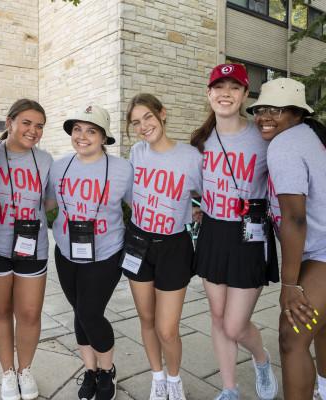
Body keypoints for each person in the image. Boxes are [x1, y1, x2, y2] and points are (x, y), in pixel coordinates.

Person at [191, 64, 279, 400]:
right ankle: (229, 388)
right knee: (217, 315)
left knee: (235, 324)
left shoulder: (263, 138)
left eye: (234, 87)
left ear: (244, 95)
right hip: (213, 232)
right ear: (209, 93)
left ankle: (261, 358)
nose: (225, 94)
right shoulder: (200, 141)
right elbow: (192, 185)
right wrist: (196, 207)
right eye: (219, 87)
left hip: (250, 234)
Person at [46, 105, 133, 400]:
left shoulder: (122, 169)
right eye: (77, 129)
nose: (82, 136)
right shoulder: (59, 166)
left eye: (91, 130)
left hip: (106, 253)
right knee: (79, 313)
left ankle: (107, 371)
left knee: (89, 312)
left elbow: (138, 208)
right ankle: (90, 369)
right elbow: (46, 204)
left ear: (104, 137)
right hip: (66, 253)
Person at [247, 77, 326, 400]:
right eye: (260, 108)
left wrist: (289, 285)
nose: (265, 116)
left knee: (291, 338)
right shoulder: (308, 135)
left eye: (275, 110)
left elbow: (294, 218)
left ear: (296, 113)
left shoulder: (284, 145)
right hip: (318, 249)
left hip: (320, 252)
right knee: (320, 328)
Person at [124, 93, 202, 400]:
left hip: (174, 246)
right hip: (139, 243)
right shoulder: (136, 153)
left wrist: (196, 210)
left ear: (162, 114)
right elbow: (130, 196)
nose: (143, 127)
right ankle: (157, 376)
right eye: (136, 122)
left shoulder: (191, 156)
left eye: (147, 118)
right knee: (146, 319)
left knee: (167, 327)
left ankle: (173, 379)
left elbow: (206, 195)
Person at [0, 99, 53, 400]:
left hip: (33, 247)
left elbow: (50, 201)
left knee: (30, 313)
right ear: (9, 123)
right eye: (27, 123)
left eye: (40, 126)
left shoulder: (45, 160)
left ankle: (25, 370)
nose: (33, 130)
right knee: (1, 310)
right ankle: (8, 372)